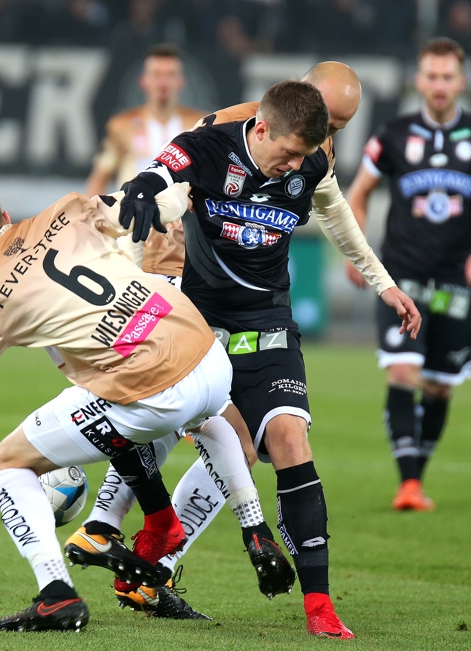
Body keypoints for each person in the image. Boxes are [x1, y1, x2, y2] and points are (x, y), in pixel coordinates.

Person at [0, 178, 293, 633]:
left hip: (152, 390)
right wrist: (185, 187)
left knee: (4, 462)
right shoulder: (67, 211)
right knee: (174, 409)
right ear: (5, 216)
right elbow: (161, 204)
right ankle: (252, 526)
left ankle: (56, 594)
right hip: (208, 356)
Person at [72, 62, 406, 625]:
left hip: (266, 321)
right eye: (330, 123)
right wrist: (143, 226)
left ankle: (167, 561)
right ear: (279, 113)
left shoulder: (310, 159)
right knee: (195, 425)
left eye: (339, 128)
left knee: (264, 441)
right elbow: (166, 183)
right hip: (183, 296)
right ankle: (108, 525)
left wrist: (384, 282)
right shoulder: (219, 133)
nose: (330, 138)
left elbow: (335, 211)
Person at [345, 38, 471, 511]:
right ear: (418, 80)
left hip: (456, 281)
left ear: (461, 82)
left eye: (447, 77)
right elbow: (357, 195)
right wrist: (359, 254)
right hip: (403, 277)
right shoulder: (393, 135)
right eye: (431, 76)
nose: (439, 85)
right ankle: (409, 484)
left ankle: (415, 478)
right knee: (403, 370)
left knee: (440, 383)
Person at [85, 43, 204, 279]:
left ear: (181, 82)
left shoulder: (198, 124)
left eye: (170, 75)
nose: (163, 82)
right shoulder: (121, 125)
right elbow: (99, 177)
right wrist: (93, 223)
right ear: (144, 81)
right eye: (156, 74)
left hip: (179, 235)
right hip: (131, 226)